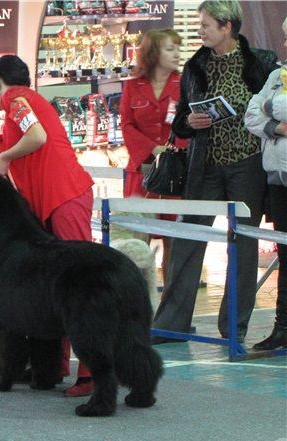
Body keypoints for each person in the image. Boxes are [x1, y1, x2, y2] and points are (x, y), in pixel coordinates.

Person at [151, 0, 279, 344]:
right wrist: (189, 123)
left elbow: (274, 111)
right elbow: (179, 122)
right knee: (187, 242)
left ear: (227, 26)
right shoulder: (196, 65)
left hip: (248, 166)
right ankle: (170, 326)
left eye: (206, 25)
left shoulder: (262, 63)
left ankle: (233, 329)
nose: (200, 31)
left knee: (244, 247)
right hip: (203, 167)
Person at [0, 54, 96, 397]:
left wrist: (3, 157)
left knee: (80, 287)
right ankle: (55, 365)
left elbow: (37, 136)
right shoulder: (21, 102)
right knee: (54, 290)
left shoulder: (15, 99)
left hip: (64, 198)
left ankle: (92, 373)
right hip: (52, 202)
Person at [120, 29, 188, 286]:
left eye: (178, 49)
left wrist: (172, 151)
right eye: (170, 49)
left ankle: (170, 306)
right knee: (138, 241)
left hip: (175, 173)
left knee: (174, 238)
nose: (177, 54)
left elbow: (188, 124)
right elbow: (126, 125)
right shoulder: (131, 86)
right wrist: (151, 149)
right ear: (153, 52)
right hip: (141, 171)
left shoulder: (184, 84)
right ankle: (135, 297)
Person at [244, 17, 287, 351]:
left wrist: (272, 107)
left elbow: (267, 108)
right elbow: (251, 117)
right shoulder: (276, 75)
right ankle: (283, 327)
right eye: (284, 37)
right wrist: (276, 126)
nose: (284, 45)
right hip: (277, 180)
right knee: (285, 257)